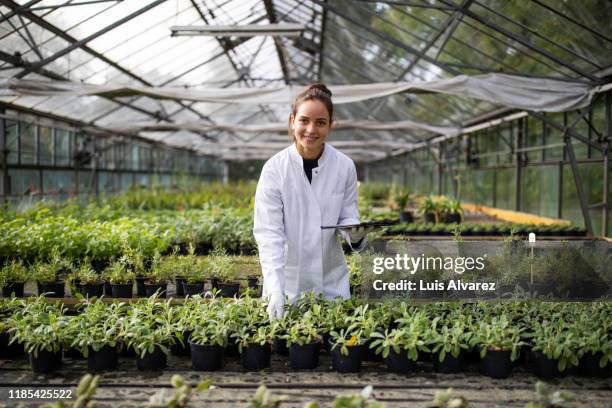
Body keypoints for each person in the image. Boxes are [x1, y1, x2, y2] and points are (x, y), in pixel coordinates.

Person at [253, 83, 369, 320]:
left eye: (320, 122)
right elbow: (269, 234)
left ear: (330, 125)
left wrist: (354, 233)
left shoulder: (344, 166)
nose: (310, 129)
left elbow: (347, 214)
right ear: (292, 120)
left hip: (331, 282)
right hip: (287, 284)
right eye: (304, 120)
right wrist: (275, 288)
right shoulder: (275, 169)